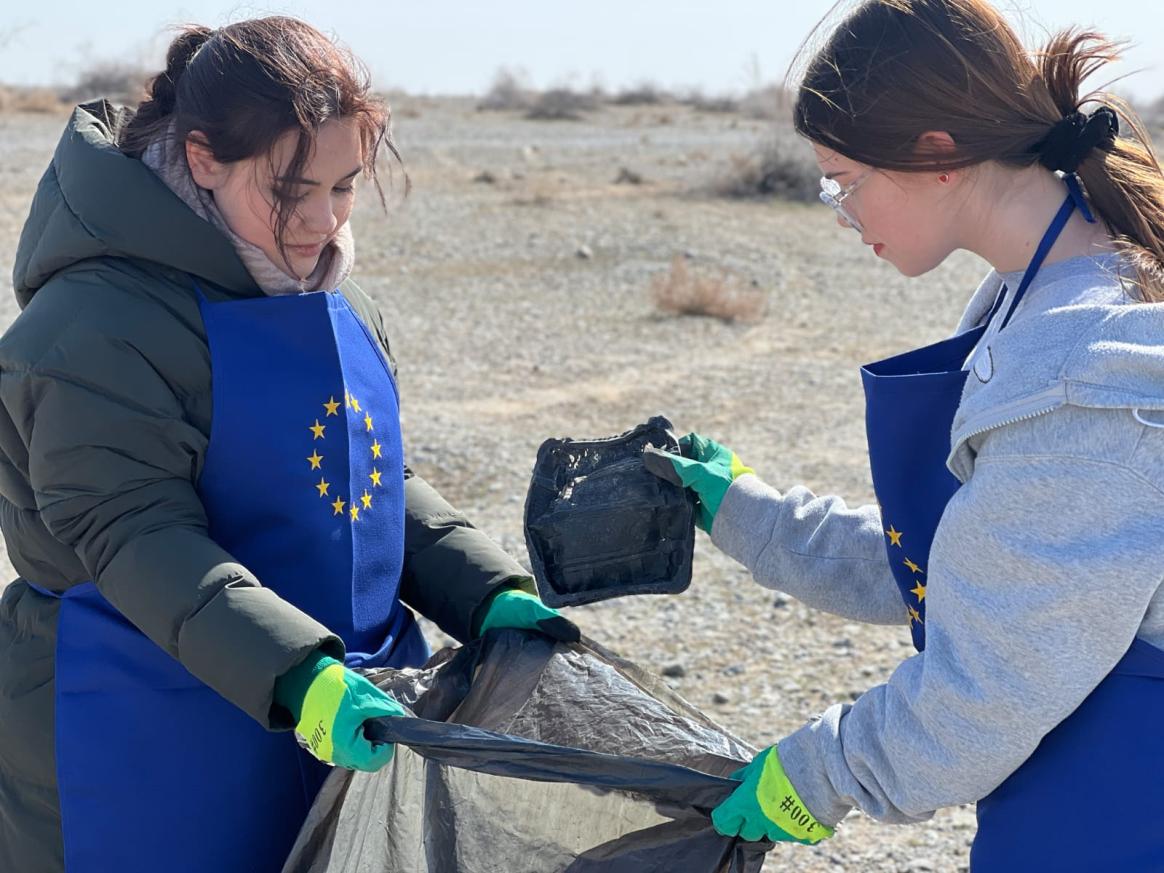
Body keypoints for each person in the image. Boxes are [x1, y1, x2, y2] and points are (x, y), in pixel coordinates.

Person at [0, 18, 576, 873]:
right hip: (136, 725)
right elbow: (134, 533)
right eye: (289, 191)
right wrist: (296, 675)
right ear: (202, 159)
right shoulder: (95, 326)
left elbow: (367, 483)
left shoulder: (337, 299)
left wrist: (488, 592)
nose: (322, 223)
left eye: (343, 187)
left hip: (329, 711)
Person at [645, 1, 1164, 868]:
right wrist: (748, 512)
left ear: (935, 155)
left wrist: (818, 773)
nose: (842, 213)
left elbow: (985, 693)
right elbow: (965, 557)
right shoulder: (1034, 293)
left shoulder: (1084, 377)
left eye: (844, 181)